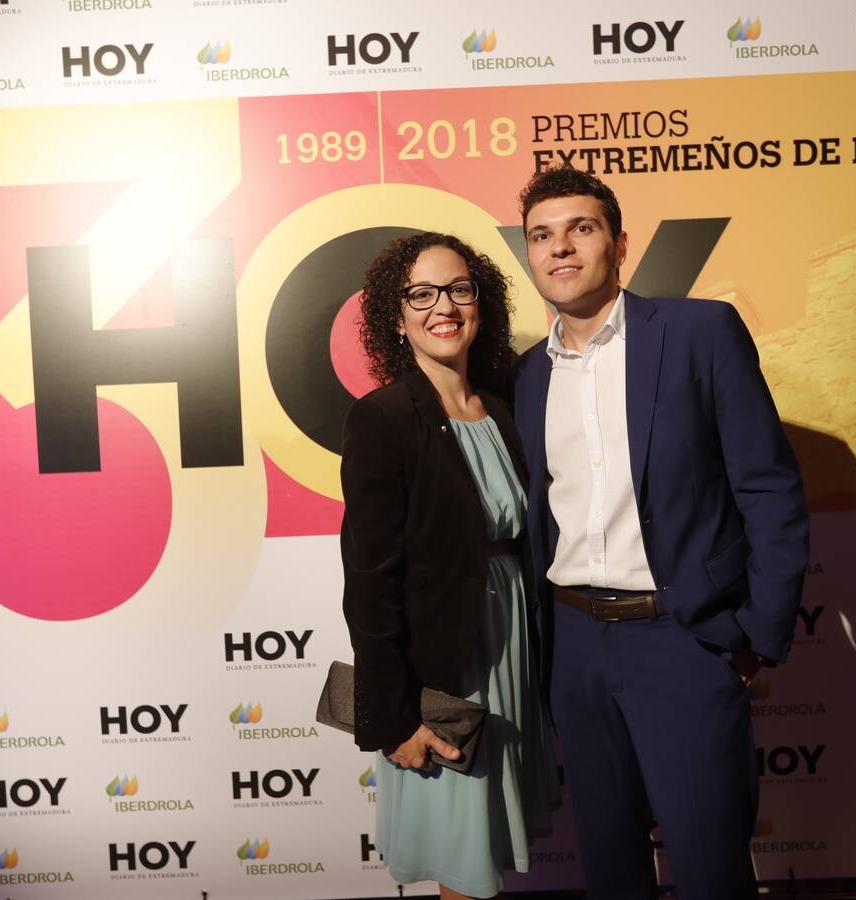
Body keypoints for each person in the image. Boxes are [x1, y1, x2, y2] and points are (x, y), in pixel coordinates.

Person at [511, 166, 809, 899]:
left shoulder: (699, 332)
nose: (561, 249)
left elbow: (768, 487)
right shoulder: (525, 377)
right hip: (575, 648)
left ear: (618, 243)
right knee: (610, 869)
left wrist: (752, 635)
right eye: (541, 236)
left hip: (685, 639)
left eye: (580, 229)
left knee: (710, 869)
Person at [340, 232, 559, 900]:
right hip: (444, 662)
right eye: (422, 293)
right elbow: (370, 583)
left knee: (487, 838)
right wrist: (392, 716)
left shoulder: (502, 408)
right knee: (460, 853)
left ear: (481, 303)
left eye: (460, 288)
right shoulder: (383, 419)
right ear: (396, 316)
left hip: (512, 641)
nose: (444, 305)